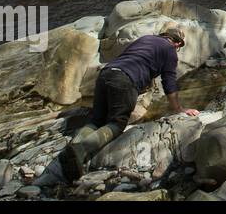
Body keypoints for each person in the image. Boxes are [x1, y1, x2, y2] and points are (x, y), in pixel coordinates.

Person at [58, 26, 199, 181]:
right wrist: (179, 108)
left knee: (96, 120)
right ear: (177, 43)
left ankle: (71, 149)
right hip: (126, 80)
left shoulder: (144, 39)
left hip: (106, 73)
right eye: (180, 46)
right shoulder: (169, 50)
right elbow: (169, 82)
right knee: (117, 123)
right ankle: (80, 150)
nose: (178, 48)